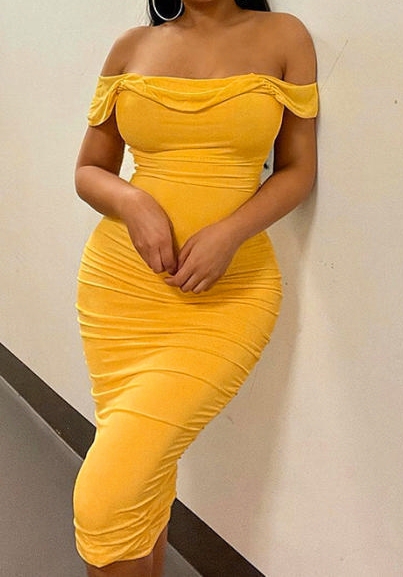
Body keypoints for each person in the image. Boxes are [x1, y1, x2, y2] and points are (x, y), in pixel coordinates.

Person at [72, 0, 318, 575]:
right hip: (120, 289)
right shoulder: (132, 46)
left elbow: (298, 169)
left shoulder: (284, 36)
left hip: (229, 295)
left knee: (106, 496)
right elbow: (89, 170)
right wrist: (131, 201)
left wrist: (231, 232)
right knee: (144, 474)